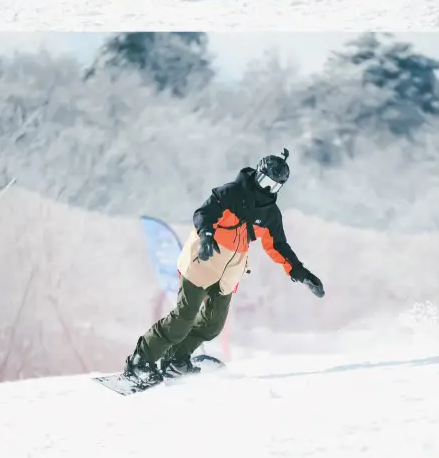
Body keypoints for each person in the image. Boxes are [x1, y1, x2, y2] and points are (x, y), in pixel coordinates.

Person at [122, 149, 325, 389]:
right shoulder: (231, 193)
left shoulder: (269, 213)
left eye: (275, 187)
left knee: (211, 325)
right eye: (265, 182)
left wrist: (301, 273)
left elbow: (278, 246)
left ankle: (176, 359)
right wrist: (207, 236)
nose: (268, 190)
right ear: (257, 174)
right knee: (184, 317)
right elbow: (203, 214)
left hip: (230, 270)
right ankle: (140, 361)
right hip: (203, 259)